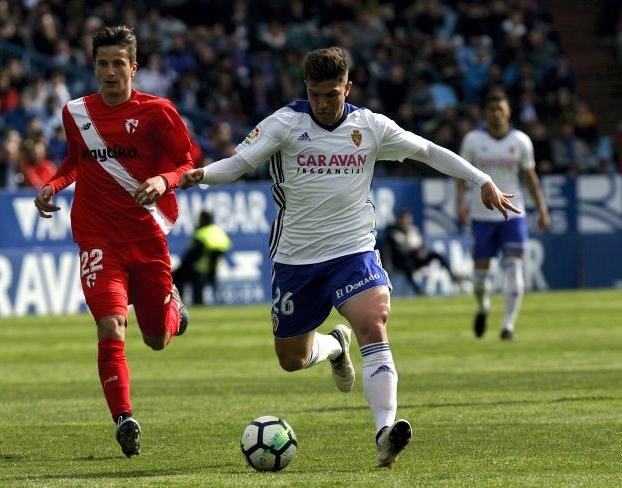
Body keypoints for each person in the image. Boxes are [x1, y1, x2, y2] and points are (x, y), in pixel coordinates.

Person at [180, 47, 519, 468]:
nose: (324, 104)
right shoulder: (285, 123)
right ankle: (335, 348)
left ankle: (383, 433)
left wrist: (481, 178)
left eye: (333, 95)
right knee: (291, 359)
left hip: (353, 249)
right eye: (316, 94)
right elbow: (239, 163)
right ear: (307, 89)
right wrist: (198, 175)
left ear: (348, 88)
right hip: (297, 258)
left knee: (373, 323)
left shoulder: (370, 126)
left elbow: (427, 151)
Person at [34, 26, 195, 458]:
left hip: (146, 238)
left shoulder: (158, 112)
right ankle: (124, 418)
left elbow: (186, 161)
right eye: (102, 63)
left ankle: (172, 310)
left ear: (133, 67)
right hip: (97, 237)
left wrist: (164, 179)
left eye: (118, 63)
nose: (110, 71)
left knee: (156, 339)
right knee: (110, 325)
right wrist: (54, 184)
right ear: (94, 66)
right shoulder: (76, 113)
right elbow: (74, 160)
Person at [458, 90, 550, 341]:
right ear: (485, 113)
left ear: (508, 112)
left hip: (513, 214)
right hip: (482, 215)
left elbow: (530, 178)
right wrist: (461, 203)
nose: (496, 114)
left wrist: (542, 209)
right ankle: (483, 306)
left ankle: (508, 326)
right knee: (479, 278)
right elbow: (461, 174)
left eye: (501, 109)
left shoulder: (521, 141)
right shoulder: (473, 141)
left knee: (514, 268)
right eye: (492, 109)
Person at [386, 210, 459, 295]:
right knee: (407, 265)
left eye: (407, 219)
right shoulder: (393, 232)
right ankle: (418, 291)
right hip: (402, 261)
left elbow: (421, 245)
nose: (405, 222)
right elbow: (395, 251)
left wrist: (422, 251)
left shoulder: (414, 230)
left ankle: (454, 278)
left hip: (416, 258)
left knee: (436, 255)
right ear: (399, 220)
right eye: (403, 220)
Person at [172, 209, 232, 305]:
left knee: (176, 276)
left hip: (199, 270)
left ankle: (180, 304)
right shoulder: (218, 232)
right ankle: (198, 301)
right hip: (213, 270)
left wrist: (180, 267)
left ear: (203, 219)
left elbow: (189, 257)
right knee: (192, 274)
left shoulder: (201, 234)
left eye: (199, 218)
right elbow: (226, 246)